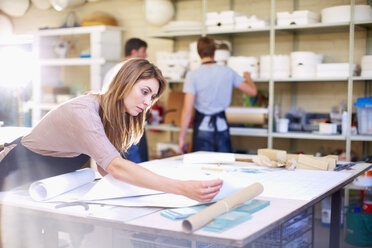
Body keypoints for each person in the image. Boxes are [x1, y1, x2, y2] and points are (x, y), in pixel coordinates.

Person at [0, 58, 222, 202]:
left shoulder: (112, 116)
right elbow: (116, 168)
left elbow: (106, 169)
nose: (148, 102)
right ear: (125, 82)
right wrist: (182, 188)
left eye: (152, 97)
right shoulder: (84, 112)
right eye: (145, 91)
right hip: (9, 170)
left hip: (37, 185)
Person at [179, 37, 257, 154]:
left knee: (201, 168)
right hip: (222, 126)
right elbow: (253, 92)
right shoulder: (228, 72)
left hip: (202, 128)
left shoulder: (192, 75)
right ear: (215, 52)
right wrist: (248, 77)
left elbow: (187, 110)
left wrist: (182, 138)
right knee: (224, 168)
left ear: (198, 53)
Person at [103, 38, 149, 163]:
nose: (146, 55)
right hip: (128, 122)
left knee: (121, 162)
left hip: (115, 122)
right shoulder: (132, 71)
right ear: (134, 52)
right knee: (136, 163)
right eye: (143, 51)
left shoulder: (112, 70)